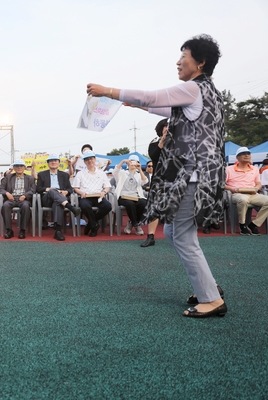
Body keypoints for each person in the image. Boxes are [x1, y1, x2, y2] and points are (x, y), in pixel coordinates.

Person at [87, 34, 226, 318]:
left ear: (200, 62)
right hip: (202, 173)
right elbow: (163, 106)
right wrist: (138, 106)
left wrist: (108, 91)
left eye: (183, 57)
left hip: (193, 174)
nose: (178, 62)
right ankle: (207, 288)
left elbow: (154, 96)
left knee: (182, 236)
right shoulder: (207, 92)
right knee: (176, 232)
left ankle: (212, 299)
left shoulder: (193, 88)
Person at [225, 146, 268, 235]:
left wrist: (257, 188)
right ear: (237, 157)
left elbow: (258, 183)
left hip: (252, 194)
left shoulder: (255, 169)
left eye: (248, 154)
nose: (246, 155)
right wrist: (232, 188)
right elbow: (222, 184)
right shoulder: (229, 169)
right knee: (243, 199)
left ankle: (254, 224)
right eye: (243, 154)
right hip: (237, 194)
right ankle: (242, 225)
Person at [36, 154, 79, 241]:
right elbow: (38, 189)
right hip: (47, 198)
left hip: (60, 198)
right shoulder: (42, 174)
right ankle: (70, 207)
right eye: (51, 161)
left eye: (55, 161)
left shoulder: (64, 175)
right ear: (48, 163)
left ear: (59, 163)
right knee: (52, 190)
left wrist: (66, 191)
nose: (53, 162)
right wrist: (48, 189)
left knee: (58, 203)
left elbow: (70, 189)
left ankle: (58, 231)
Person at [141, 118, 168, 247]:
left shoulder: (180, 143)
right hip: (159, 180)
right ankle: (150, 236)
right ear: (161, 128)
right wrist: (163, 140)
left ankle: (179, 236)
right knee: (154, 207)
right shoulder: (154, 144)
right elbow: (154, 157)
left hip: (177, 179)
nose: (168, 128)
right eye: (166, 126)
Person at [72, 150, 112, 237]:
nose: (90, 161)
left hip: (99, 197)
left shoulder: (101, 173)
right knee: (85, 206)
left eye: (91, 159)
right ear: (84, 162)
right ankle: (94, 226)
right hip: (85, 197)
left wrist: (104, 192)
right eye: (87, 159)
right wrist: (81, 192)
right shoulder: (80, 173)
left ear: (95, 159)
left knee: (108, 206)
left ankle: (91, 224)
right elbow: (75, 188)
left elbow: (107, 186)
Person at [0, 159, 36, 239]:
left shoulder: (30, 178)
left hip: (23, 199)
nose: (19, 168)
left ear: (24, 167)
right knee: (5, 206)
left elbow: (33, 190)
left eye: (21, 166)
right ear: (14, 168)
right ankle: (9, 230)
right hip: (11, 198)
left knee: (26, 206)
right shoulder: (8, 177)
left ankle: (22, 230)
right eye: (17, 166)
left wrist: (25, 195)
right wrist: (7, 193)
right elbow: (0, 189)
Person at [114, 155, 148, 235]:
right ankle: (136, 225)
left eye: (135, 161)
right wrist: (123, 161)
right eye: (131, 161)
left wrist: (140, 169)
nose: (133, 163)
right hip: (124, 196)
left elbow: (145, 181)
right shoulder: (122, 173)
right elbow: (115, 172)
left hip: (136, 196)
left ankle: (131, 222)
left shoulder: (138, 174)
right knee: (130, 204)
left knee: (144, 203)